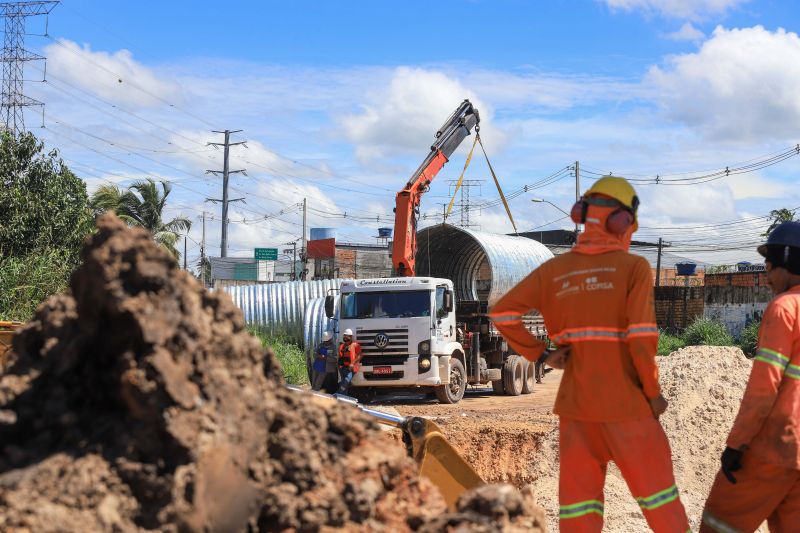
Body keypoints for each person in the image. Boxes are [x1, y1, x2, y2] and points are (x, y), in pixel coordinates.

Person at [489, 176, 690, 532]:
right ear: (622, 222)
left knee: (579, 514)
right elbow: (642, 339)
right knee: (661, 503)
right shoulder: (633, 269)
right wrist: (654, 394)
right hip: (628, 406)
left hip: (577, 411)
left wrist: (541, 354)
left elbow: (503, 313)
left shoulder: (554, 270)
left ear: (582, 216)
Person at [701, 221, 800, 533]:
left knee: (720, 524)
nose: (767, 277)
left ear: (788, 262)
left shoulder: (784, 308)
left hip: (775, 444)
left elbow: (764, 388)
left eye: (770, 267)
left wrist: (736, 445)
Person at [337, 328, 362, 395]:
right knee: (345, 384)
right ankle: (344, 399)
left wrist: (352, 364)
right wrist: (339, 367)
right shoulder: (342, 346)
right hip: (342, 368)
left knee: (346, 382)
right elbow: (340, 357)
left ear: (350, 337)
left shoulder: (356, 345)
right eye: (344, 335)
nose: (344, 337)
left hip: (351, 369)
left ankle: (338, 394)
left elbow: (360, 356)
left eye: (346, 335)